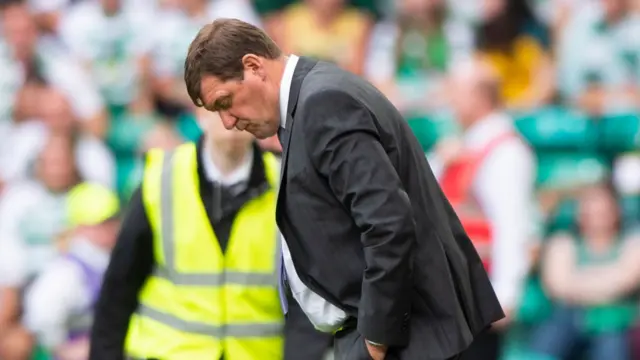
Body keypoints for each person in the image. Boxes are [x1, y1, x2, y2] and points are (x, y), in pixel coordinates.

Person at [183, 18, 504, 360]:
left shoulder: (323, 103)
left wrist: (375, 340)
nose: (228, 122)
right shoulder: (312, 99)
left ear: (253, 66)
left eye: (224, 101)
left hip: (406, 338)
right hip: (400, 333)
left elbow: (389, 223)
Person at [88, 106, 312, 360]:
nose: (231, 115)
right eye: (221, 103)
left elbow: (307, 300)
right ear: (199, 112)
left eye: (241, 102)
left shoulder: (286, 186)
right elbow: (118, 290)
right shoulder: (160, 180)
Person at [431, 59, 536, 360]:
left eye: (456, 91)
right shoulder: (461, 146)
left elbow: (511, 225)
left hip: (480, 294)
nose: (449, 99)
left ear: (480, 97)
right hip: (451, 291)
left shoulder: (505, 151)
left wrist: (505, 294)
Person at [23, 182, 120, 360]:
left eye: (114, 219)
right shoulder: (67, 271)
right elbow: (40, 314)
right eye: (102, 222)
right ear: (80, 227)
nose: (112, 227)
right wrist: (62, 349)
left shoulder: (108, 260)